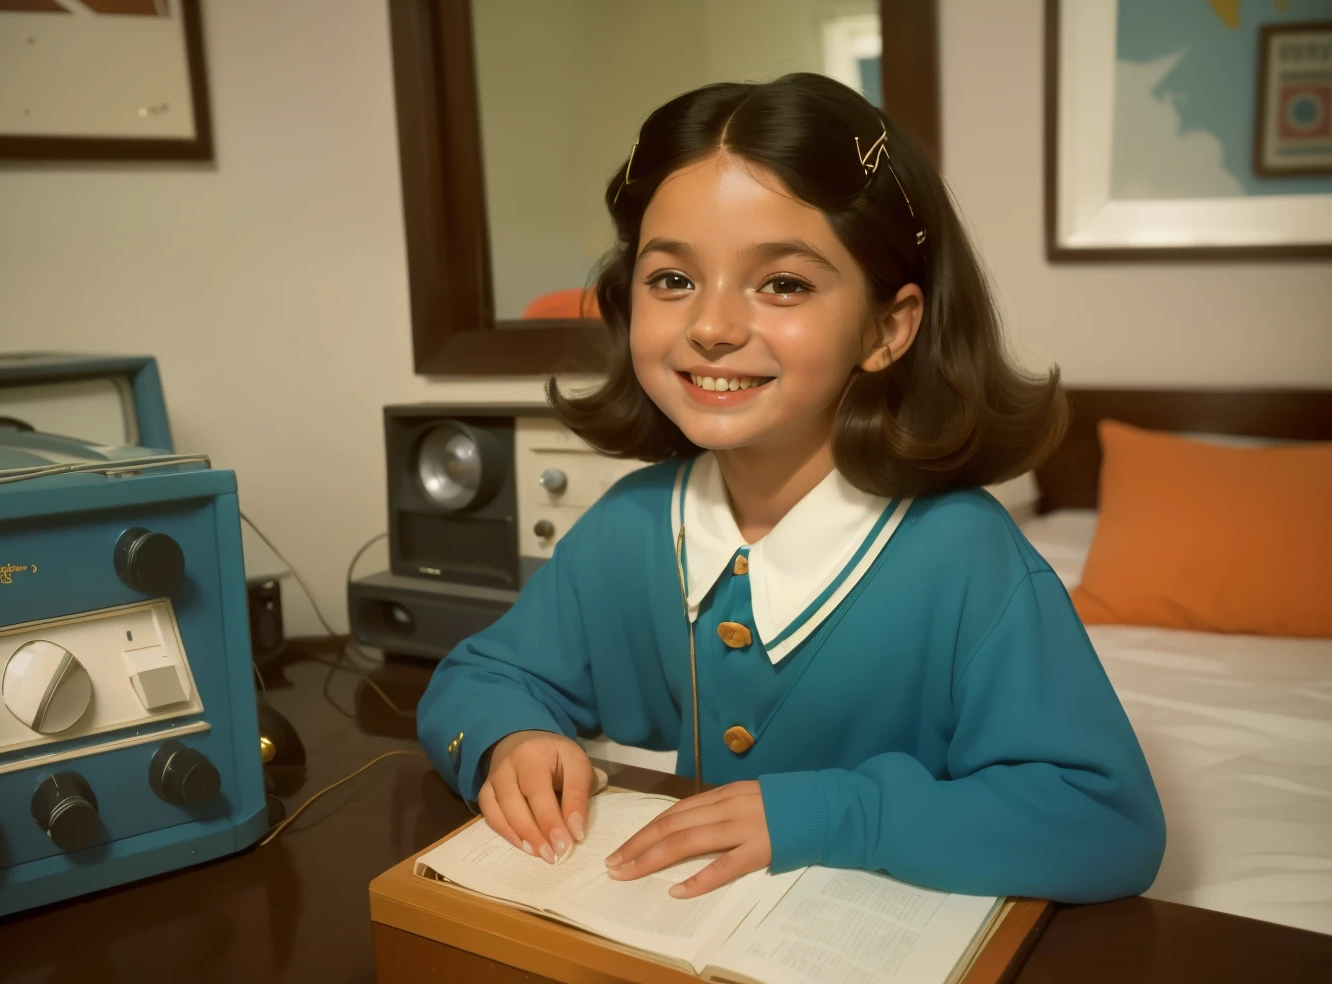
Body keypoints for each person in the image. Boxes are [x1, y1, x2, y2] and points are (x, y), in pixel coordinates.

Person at [416, 73, 1165, 904]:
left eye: (783, 284)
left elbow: (1107, 824)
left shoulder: (967, 557)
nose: (712, 326)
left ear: (888, 328)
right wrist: (507, 741)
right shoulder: (631, 524)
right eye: (673, 280)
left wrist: (843, 812)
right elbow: (478, 677)